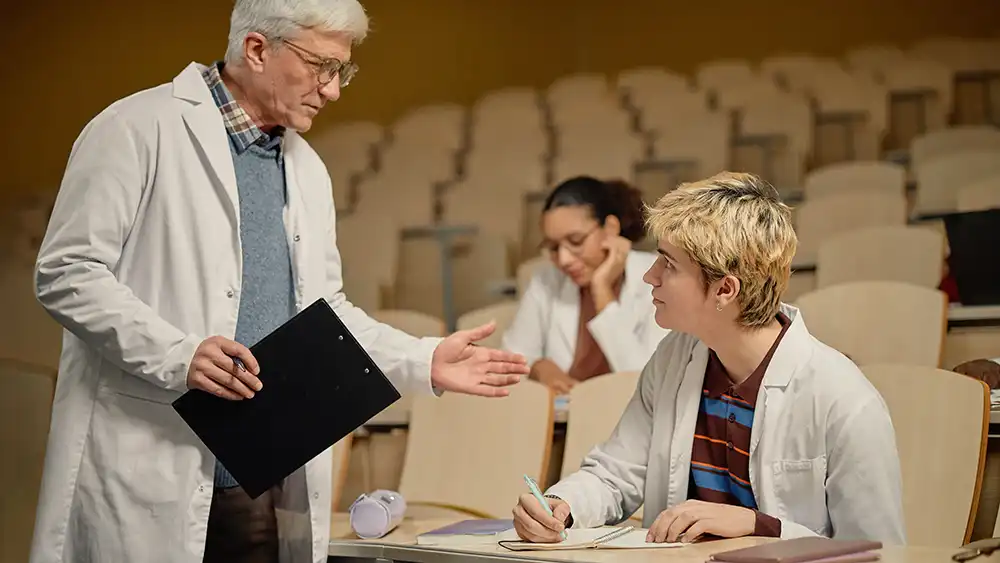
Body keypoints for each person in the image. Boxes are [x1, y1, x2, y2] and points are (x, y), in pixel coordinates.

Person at [28, 1, 529, 562]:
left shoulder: (306, 167)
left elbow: (324, 313)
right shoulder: (134, 129)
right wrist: (178, 353)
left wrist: (422, 358)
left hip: (259, 475)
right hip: (147, 464)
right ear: (257, 49)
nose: (333, 90)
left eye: (342, 70)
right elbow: (66, 272)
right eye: (323, 66)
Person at [511, 172, 906, 545]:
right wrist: (563, 506)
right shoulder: (673, 358)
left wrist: (759, 526)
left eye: (669, 263)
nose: (650, 276)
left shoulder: (844, 398)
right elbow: (616, 474)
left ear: (725, 290)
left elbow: (880, 552)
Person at [502, 176, 668, 394]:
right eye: (553, 247)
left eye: (576, 241)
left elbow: (646, 384)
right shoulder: (546, 280)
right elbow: (510, 360)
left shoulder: (659, 279)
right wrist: (539, 368)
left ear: (610, 228)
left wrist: (602, 291)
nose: (564, 259)